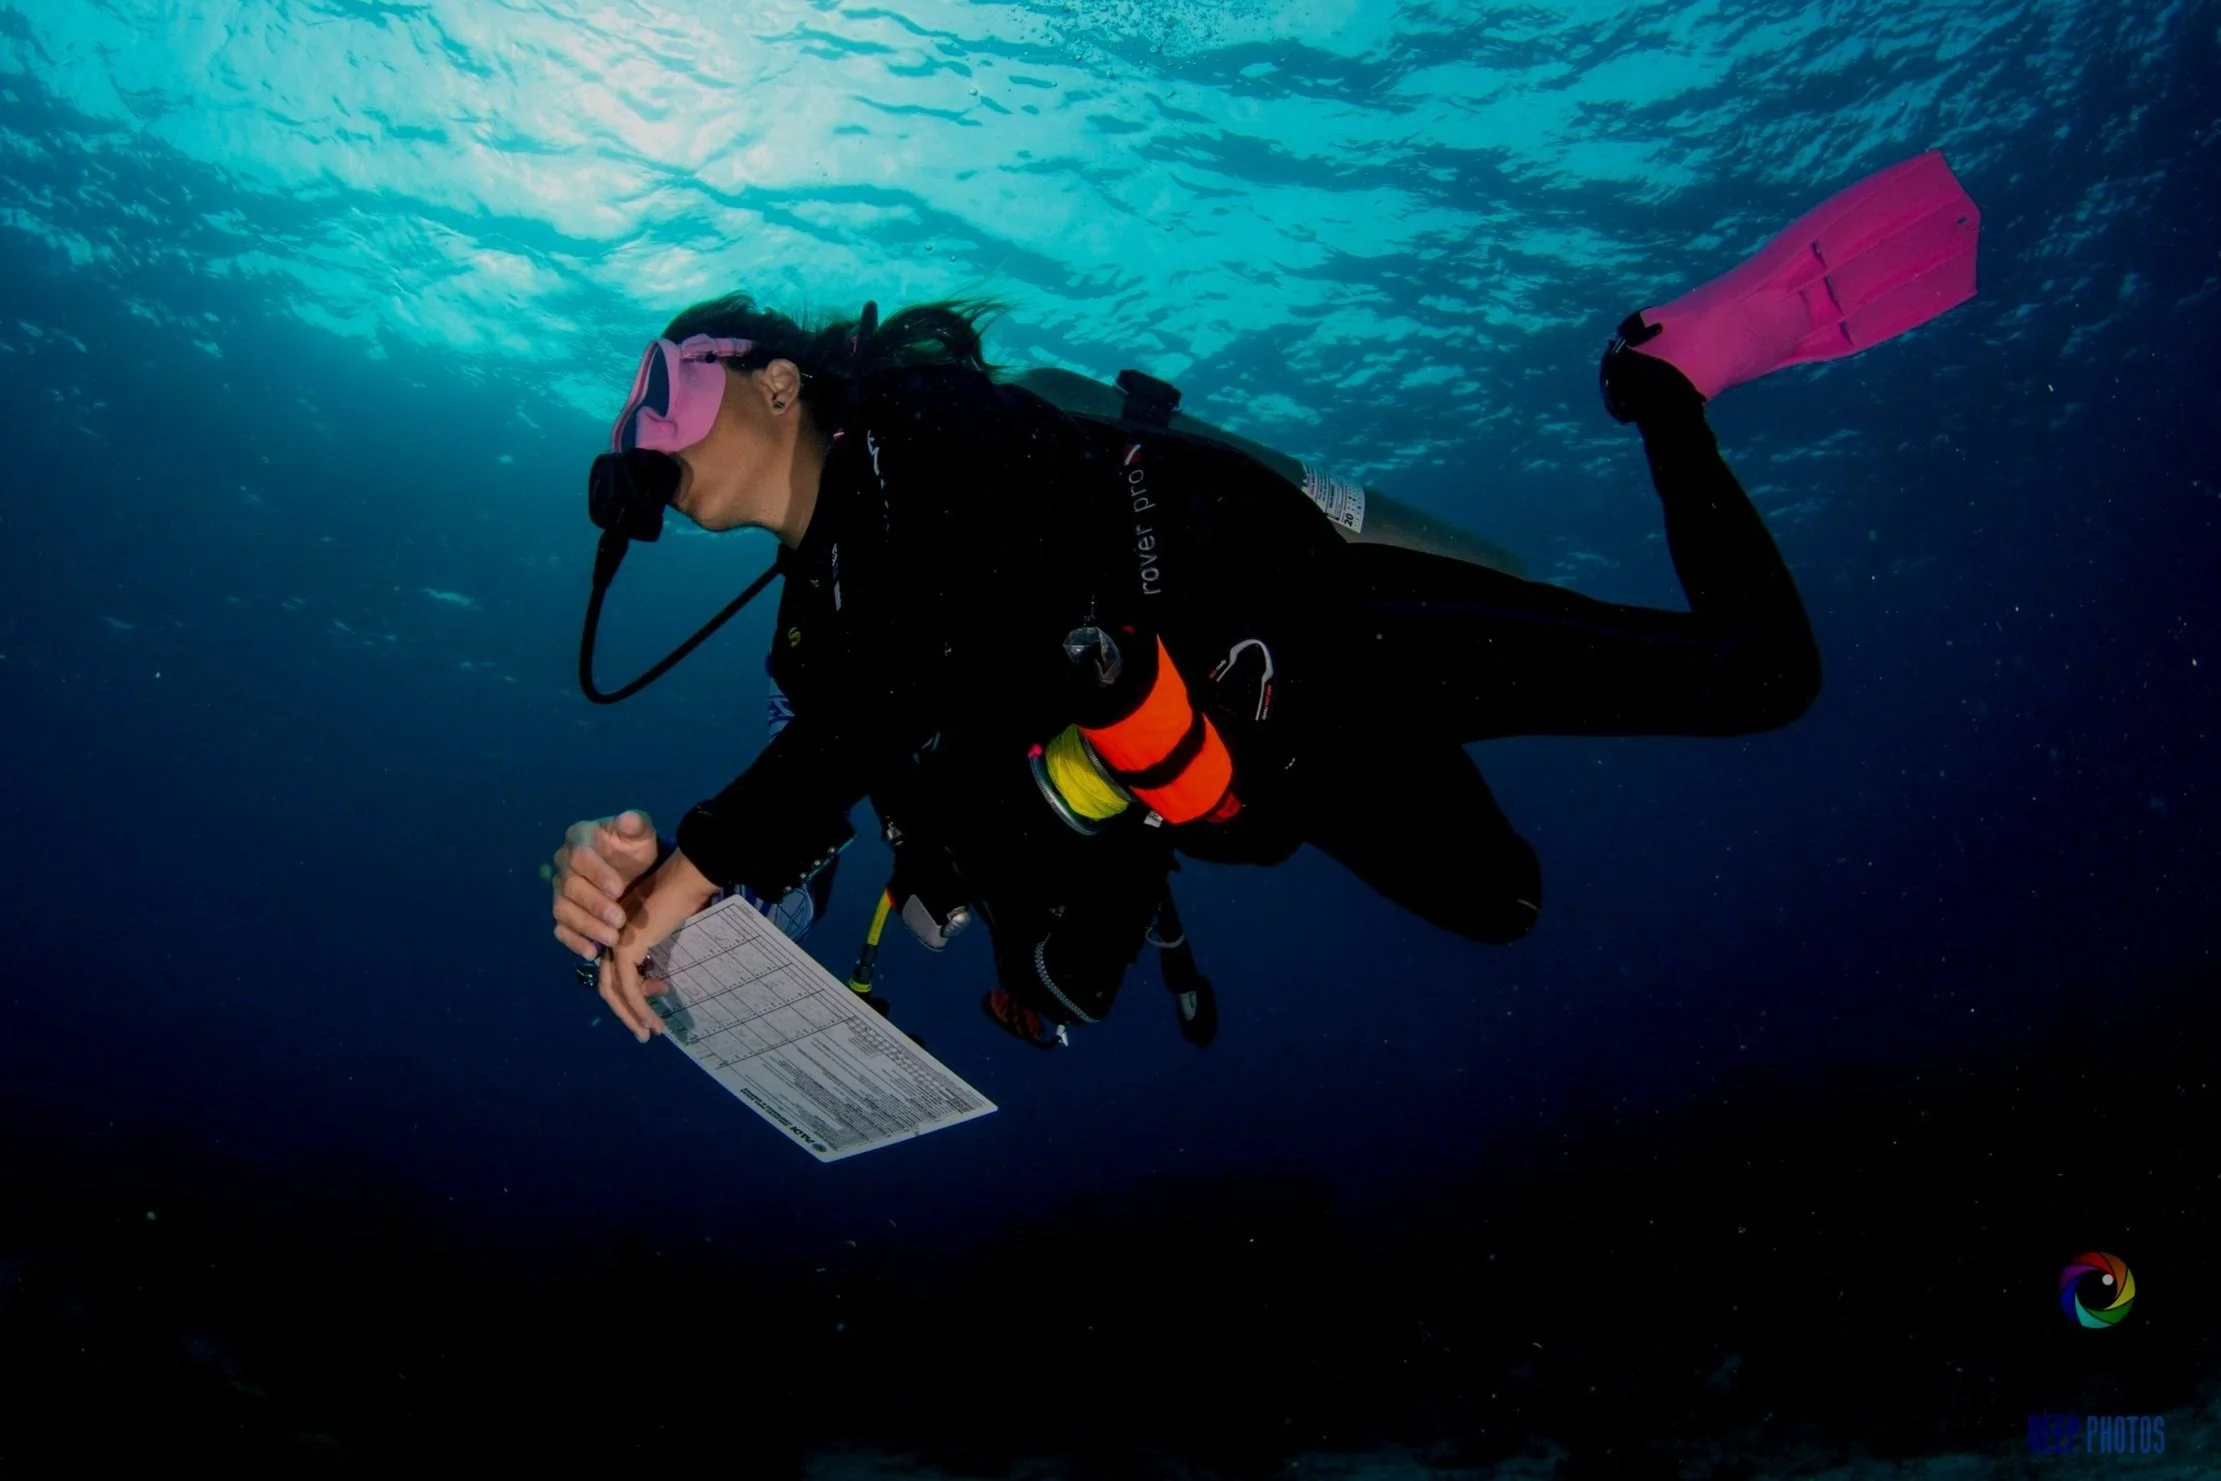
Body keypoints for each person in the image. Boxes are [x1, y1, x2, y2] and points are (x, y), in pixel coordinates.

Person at [548, 151, 1981, 1053]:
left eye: (663, 389)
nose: (642, 439)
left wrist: (705, 854)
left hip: (1319, 637)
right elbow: (833, 821)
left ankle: (1666, 376)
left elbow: (880, 696)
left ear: (779, 377)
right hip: (1256, 782)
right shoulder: (816, 634)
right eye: (628, 423)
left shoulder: (925, 424)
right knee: (1502, 903)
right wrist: (628, 881)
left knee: (1757, 674)